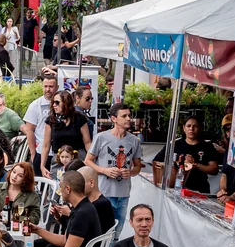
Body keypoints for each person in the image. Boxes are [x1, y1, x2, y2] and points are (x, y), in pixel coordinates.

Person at [86, 102, 142, 231]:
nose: (128, 118)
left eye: (129, 115)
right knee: (102, 232)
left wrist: (130, 172)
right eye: (124, 116)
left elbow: (138, 166)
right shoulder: (101, 138)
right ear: (114, 118)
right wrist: (104, 170)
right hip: (104, 193)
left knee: (116, 233)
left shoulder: (134, 140)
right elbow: (88, 161)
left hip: (123, 194)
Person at [153, 116, 219, 193]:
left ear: (200, 128)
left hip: (199, 190)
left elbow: (214, 169)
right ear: (184, 128)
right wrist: (175, 165)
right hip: (175, 188)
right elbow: (157, 161)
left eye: (195, 126)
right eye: (188, 126)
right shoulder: (174, 144)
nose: (191, 129)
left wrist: (196, 165)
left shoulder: (207, 146)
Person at [40, 90, 91, 178]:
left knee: (78, 184)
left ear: (66, 103)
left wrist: (89, 160)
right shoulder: (51, 120)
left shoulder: (79, 118)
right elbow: (46, 145)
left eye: (57, 102)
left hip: (78, 158)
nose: (54, 105)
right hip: (59, 159)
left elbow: (87, 142)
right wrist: (42, 166)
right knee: (57, 185)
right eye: (53, 102)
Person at [19, 74, 59, 177]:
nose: (48, 89)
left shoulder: (64, 104)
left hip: (60, 154)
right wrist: (33, 153)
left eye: (51, 86)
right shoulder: (34, 105)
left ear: (57, 87)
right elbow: (30, 131)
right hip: (41, 152)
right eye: (45, 86)